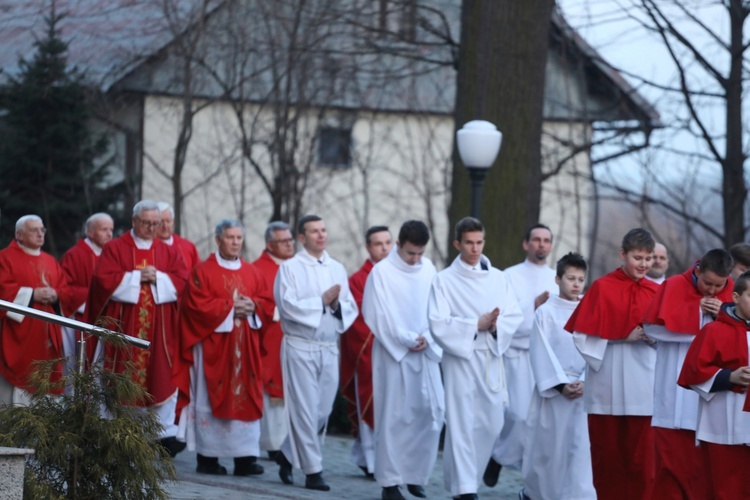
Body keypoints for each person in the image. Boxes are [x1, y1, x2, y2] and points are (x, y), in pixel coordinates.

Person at [428, 217, 522, 500]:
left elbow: (514, 314)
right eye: (468, 242)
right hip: (460, 358)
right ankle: (465, 488)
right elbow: (437, 321)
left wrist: (495, 326)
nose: (474, 248)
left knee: (492, 423)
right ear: (457, 243)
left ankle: (469, 481)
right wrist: (474, 325)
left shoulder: (499, 277)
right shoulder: (443, 280)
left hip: (489, 356)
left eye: (479, 242)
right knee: (461, 421)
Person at [87, 200, 189, 457]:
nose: (153, 228)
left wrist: (160, 278)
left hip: (158, 331)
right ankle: (113, 431)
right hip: (123, 329)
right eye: (147, 223)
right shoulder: (115, 248)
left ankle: (155, 436)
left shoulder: (167, 252)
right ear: (134, 221)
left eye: (156, 223)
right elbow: (102, 280)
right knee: (117, 374)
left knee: (159, 375)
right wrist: (135, 277)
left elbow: (183, 281)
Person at [564, 228, 659, 500]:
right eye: (637, 257)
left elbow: (673, 338)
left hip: (645, 387)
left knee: (643, 463)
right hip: (607, 387)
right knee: (607, 460)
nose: (643, 264)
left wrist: (655, 338)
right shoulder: (602, 287)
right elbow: (582, 337)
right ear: (623, 254)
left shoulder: (658, 291)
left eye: (648, 258)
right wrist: (620, 337)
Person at [175, 219, 268, 476]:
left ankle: (245, 459)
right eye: (230, 237)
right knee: (210, 395)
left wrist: (254, 307)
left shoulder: (252, 272)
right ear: (218, 240)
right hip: (214, 347)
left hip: (245, 347)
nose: (236, 242)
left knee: (246, 394)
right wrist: (230, 307)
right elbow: (194, 306)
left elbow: (266, 302)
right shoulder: (202, 272)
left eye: (239, 237)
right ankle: (208, 458)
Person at [273, 215, 357, 491]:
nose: (321, 235)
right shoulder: (290, 268)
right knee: (305, 409)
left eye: (323, 230)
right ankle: (313, 470)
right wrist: (319, 302)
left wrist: (334, 307)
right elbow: (287, 306)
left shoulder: (337, 268)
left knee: (322, 410)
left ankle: (286, 452)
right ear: (301, 237)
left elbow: (349, 306)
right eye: (314, 231)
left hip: (328, 346)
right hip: (300, 345)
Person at [363, 220, 444, 500]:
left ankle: (415, 474)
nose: (416, 259)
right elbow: (377, 315)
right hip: (394, 355)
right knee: (394, 417)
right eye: (411, 253)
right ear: (398, 246)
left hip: (426, 351)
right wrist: (408, 339)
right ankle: (390, 481)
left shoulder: (430, 269)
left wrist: (428, 338)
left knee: (432, 413)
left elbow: (438, 308)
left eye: (420, 253)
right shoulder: (381, 272)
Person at [642, 249, 733, 499]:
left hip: (710, 398)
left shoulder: (732, 293)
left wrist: (721, 313)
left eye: (719, 285)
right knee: (669, 471)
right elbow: (651, 328)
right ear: (697, 270)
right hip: (673, 394)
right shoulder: (673, 285)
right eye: (708, 283)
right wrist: (695, 311)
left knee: (704, 475)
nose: (713, 290)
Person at [485, 224, 556, 486]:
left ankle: (526, 474)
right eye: (536, 240)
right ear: (526, 244)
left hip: (546, 356)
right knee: (517, 414)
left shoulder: (556, 278)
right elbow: (503, 315)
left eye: (546, 240)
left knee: (539, 421)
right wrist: (532, 307)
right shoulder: (509, 276)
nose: (541, 244)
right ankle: (498, 457)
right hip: (516, 353)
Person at [522, 252, 595, 500]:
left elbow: (597, 347)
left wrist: (585, 380)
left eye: (580, 279)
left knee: (580, 450)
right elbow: (540, 349)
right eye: (570, 278)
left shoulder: (590, 310)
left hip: (584, 391)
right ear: (557, 279)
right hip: (554, 391)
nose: (576, 284)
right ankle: (539, 494)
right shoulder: (546, 312)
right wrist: (561, 384)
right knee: (548, 450)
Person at [677, 271, 750, 499]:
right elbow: (692, 373)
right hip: (724, 424)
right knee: (723, 489)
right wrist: (729, 377)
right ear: (736, 297)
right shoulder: (713, 330)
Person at [340, 225, 393, 479]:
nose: (384, 248)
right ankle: (371, 460)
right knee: (371, 405)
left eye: (387, 243)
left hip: (398, 353)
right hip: (370, 352)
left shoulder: (400, 274)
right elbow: (358, 318)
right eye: (378, 244)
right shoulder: (357, 280)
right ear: (368, 247)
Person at [0, 215, 70, 404]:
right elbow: (3, 291)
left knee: (49, 387)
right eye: (34, 230)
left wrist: (55, 296)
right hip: (21, 334)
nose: (40, 234)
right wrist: (33, 295)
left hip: (48, 334)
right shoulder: (5, 258)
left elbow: (64, 289)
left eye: (42, 230)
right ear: (19, 235)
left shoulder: (50, 260)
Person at [252, 221, 295, 461]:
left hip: (295, 339)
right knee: (270, 391)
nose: (289, 244)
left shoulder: (299, 266)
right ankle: (269, 442)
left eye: (290, 240)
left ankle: (288, 442)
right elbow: (256, 302)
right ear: (269, 244)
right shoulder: (257, 269)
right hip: (270, 338)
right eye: (283, 241)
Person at [60, 213, 114, 377]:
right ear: (90, 233)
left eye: (111, 229)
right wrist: (95, 298)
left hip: (108, 319)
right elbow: (64, 288)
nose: (109, 234)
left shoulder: (113, 255)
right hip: (82, 319)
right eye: (104, 229)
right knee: (80, 367)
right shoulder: (74, 255)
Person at [157, 201, 200, 271]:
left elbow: (198, 273)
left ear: (173, 221)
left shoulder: (187, 246)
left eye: (168, 221)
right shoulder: (148, 247)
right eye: (161, 222)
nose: (165, 226)